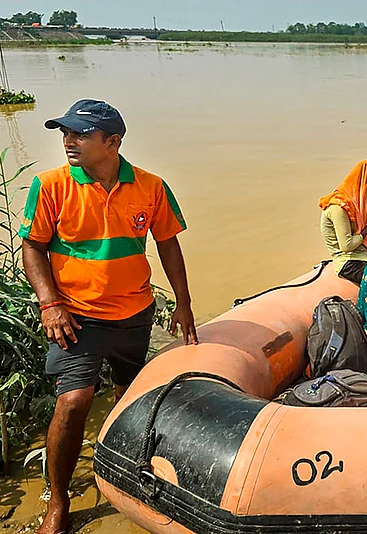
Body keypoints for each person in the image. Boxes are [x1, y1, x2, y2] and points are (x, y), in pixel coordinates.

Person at [18, 99, 197, 534]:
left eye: (79, 134)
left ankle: (124, 476)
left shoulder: (151, 186)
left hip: (135, 312)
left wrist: (184, 303)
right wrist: (50, 303)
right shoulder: (50, 185)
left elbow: (169, 243)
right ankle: (57, 501)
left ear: (111, 142)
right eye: (65, 133)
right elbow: (32, 247)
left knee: (129, 398)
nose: (68, 141)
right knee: (75, 401)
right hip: (76, 316)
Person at [319, 160, 367, 285]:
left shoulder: (353, 203)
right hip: (347, 261)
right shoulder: (338, 207)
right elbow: (347, 246)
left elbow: (355, 225)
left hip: (364, 252)